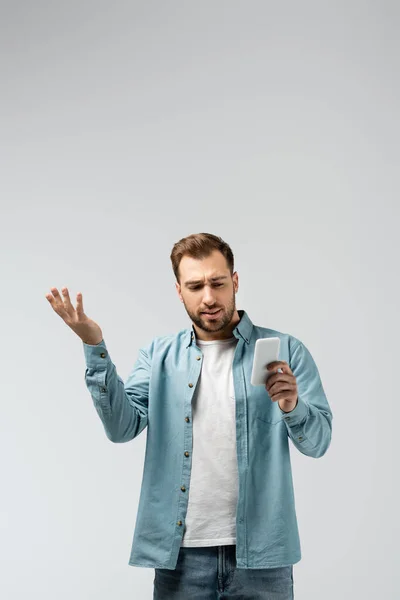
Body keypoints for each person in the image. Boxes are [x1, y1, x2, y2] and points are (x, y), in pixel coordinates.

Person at [46, 232, 333, 599]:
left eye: (217, 283)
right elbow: (122, 428)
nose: (209, 297)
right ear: (180, 291)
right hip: (181, 557)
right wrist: (93, 346)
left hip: (264, 557)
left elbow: (319, 442)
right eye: (195, 286)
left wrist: (293, 407)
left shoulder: (286, 350)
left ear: (235, 281)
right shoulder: (158, 355)